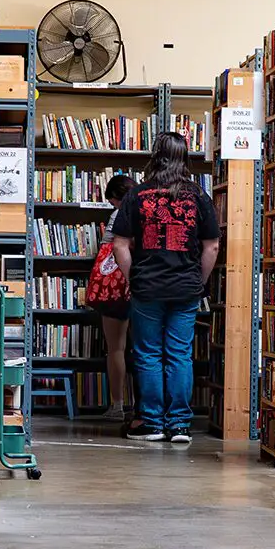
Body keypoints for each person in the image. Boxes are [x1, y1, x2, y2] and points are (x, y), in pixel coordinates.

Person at [110, 132, 219, 444]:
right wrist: (198, 280)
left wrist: (134, 278)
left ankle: (153, 423)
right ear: (185, 158)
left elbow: (119, 245)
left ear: (155, 155)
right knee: (180, 354)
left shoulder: (137, 196)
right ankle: (180, 426)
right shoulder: (199, 196)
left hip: (148, 286)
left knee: (147, 353)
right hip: (185, 287)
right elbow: (211, 246)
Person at [92, 174, 133, 423]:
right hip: (146, 284)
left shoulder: (118, 215)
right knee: (148, 350)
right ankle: (147, 408)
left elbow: (111, 248)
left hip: (115, 287)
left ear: (115, 198)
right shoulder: (145, 210)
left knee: (116, 348)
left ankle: (117, 405)